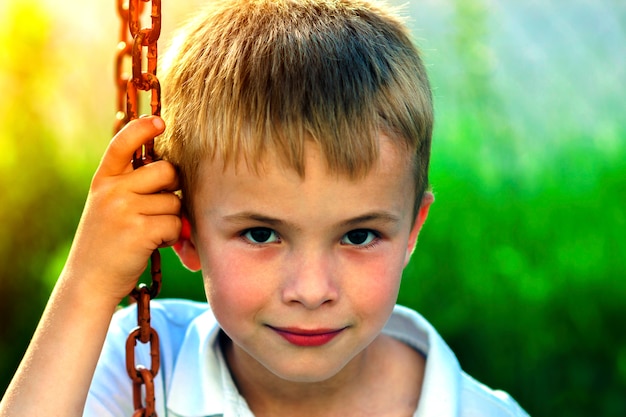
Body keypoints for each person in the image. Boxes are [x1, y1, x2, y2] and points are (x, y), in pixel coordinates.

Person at [0, 0, 529, 416]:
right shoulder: (130, 366)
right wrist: (89, 283)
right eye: (261, 234)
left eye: (359, 236)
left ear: (413, 231)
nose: (311, 290)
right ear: (185, 232)